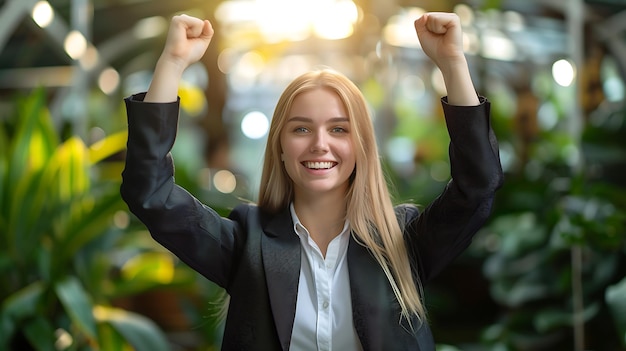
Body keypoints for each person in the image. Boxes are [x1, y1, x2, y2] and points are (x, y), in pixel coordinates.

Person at [121, 12, 504, 351]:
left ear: (360, 146)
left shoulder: (401, 241)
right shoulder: (245, 241)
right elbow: (150, 193)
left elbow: (477, 187)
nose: (320, 144)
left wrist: (452, 63)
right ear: (281, 147)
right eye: (301, 128)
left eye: (339, 128)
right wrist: (172, 63)